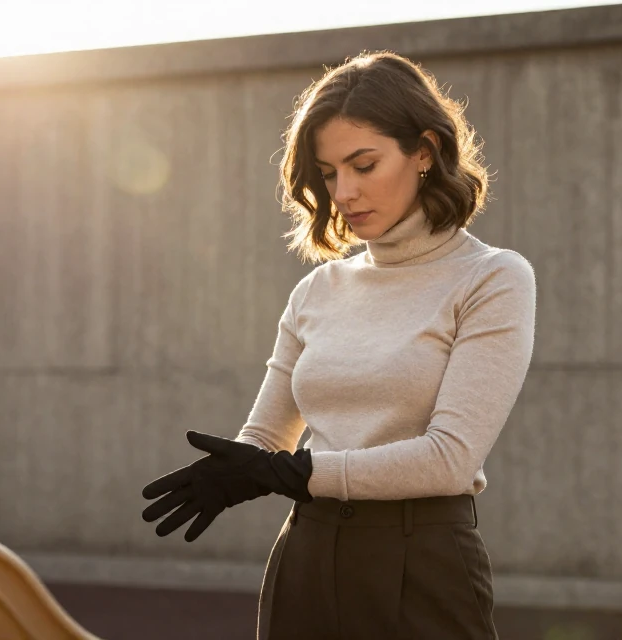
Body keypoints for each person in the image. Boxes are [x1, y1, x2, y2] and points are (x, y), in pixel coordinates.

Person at [140, 50, 537, 639]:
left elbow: (448, 458)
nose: (344, 192)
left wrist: (291, 472)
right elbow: (268, 439)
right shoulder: (316, 290)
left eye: (363, 164)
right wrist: (236, 468)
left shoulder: (492, 277)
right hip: (306, 555)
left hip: (423, 564)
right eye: (328, 174)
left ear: (425, 151)